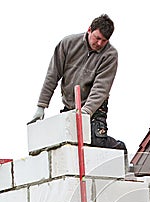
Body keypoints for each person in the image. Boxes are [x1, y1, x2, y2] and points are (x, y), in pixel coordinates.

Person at [28, 14, 127, 151]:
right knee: (64, 144)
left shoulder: (109, 55)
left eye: (104, 41)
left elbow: (101, 89)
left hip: (94, 108)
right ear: (89, 30)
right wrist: (41, 106)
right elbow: (52, 76)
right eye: (97, 38)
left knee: (94, 140)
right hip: (70, 106)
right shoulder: (68, 44)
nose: (99, 44)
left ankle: (119, 150)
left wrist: (85, 113)